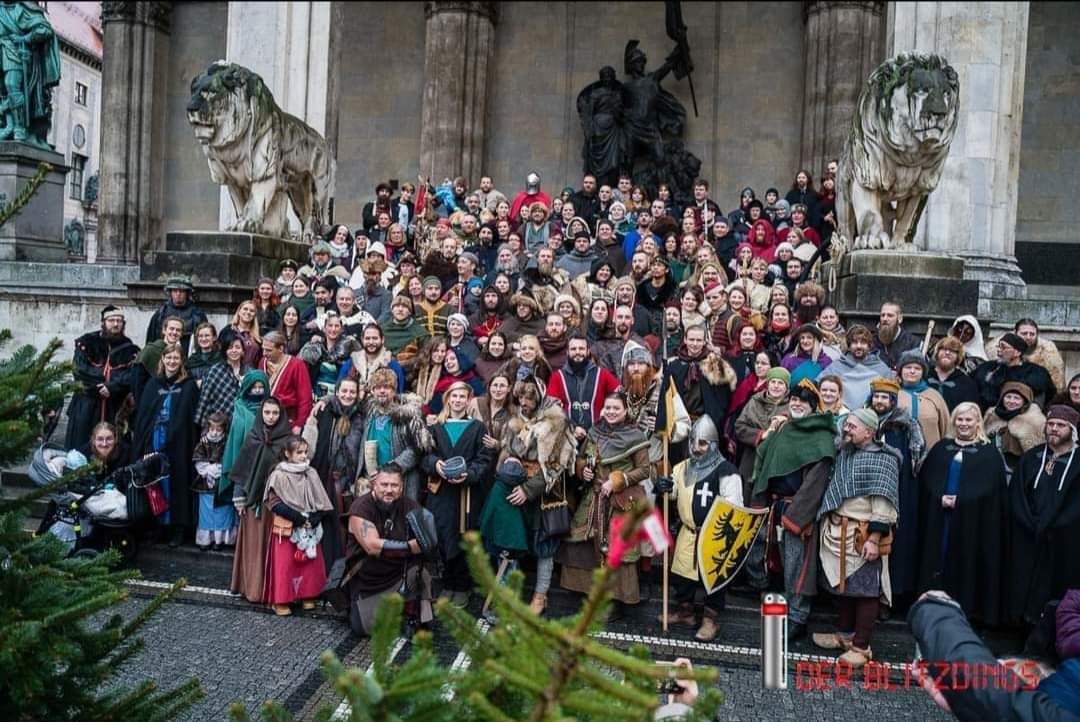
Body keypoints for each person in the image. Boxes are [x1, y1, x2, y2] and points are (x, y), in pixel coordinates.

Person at [748, 381, 837, 639]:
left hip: (798, 511)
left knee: (798, 567)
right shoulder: (785, 428)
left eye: (803, 401)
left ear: (813, 406)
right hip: (775, 506)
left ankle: (798, 617)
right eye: (794, 399)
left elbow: (815, 483)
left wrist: (798, 516)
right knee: (778, 564)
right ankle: (782, 611)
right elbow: (765, 459)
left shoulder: (821, 436)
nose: (796, 404)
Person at [812, 408, 899, 669]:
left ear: (870, 432)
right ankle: (844, 634)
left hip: (862, 533)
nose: (846, 429)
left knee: (866, 591)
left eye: (852, 426)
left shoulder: (884, 460)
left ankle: (861, 647)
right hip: (840, 530)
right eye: (846, 424)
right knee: (847, 586)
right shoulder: (846, 452)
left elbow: (884, 504)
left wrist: (874, 538)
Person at [916, 403, 1010, 626]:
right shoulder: (941, 448)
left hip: (972, 522)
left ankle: (964, 610)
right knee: (937, 556)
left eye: (969, 420)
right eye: (960, 419)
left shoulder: (989, 454)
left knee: (965, 559)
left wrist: (963, 500)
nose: (964, 424)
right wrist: (939, 496)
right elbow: (927, 480)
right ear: (953, 421)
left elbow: (991, 490)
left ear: (978, 422)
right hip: (939, 517)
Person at [490, 378, 577, 616]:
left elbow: (555, 464)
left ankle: (540, 596)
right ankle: (510, 594)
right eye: (521, 398)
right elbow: (507, 450)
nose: (524, 403)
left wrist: (528, 490)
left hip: (545, 491)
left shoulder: (555, 422)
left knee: (544, 545)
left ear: (539, 398)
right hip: (516, 486)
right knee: (514, 541)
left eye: (529, 398)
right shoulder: (515, 421)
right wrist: (507, 466)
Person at [560, 392, 650, 617]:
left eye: (616, 408)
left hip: (622, 500)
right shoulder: (594, 431)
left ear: (625, 411)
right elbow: (582, 459)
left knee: (616, 549)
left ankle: (614, 601)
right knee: (583, 543)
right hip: (594, 495)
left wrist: (617, 480)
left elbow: (645, 470)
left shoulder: (635, 435)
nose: (611, 412)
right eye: (608, 408)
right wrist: (584, 470)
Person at [660, 415, 744, 640]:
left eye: (703, 443)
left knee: (713, 581)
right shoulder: (681, 467)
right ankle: (685, 612)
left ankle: (710, 620)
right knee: (683, 576)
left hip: (714, 536)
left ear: (714, 445)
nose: (697, 448)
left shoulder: (727, 470)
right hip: (688, 531)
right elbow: (675, 493)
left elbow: (734, 506)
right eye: (694, 442)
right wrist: (666, 487)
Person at [420, 381, 494, 606]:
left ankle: (462, 586)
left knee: (464, 536)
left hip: (466, 493)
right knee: (443, 536)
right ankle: (448, 582)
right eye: (454, 396)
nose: (458, 400)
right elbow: (425, 455)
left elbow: (484, 459)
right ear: (447, 399)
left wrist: (469, 474)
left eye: (463, 396)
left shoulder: (478, 428)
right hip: (441, 493)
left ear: (468, 399)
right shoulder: (435, 427)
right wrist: (437, 466)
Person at [1007, 405, 1080, 624]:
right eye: (1051, 424)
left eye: (1061, 425)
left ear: (1072, 430)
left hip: (1063, 537)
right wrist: (1029, 521)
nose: (1054, 429)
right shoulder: (1032, 457)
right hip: (1028, 533)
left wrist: (1056, 524)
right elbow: (1017, 493)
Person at [345, 464, 433, 635]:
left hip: (400, 575)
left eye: (394, 485)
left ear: (402, 487)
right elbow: (372, 546)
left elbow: (428, 540)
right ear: (374, 484)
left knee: (421, 574)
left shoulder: (410, 506)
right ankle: (392, 610)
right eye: (384, 485)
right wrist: (410, 546)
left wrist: (424, 542)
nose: (389, 490)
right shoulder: (360, 508)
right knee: (363, 628)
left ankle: (418, 617)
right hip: (368, 582)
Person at [130, 342, 199, 547]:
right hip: (154, 441)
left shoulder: (188, 386)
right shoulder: (153, 384)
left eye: (176, 358)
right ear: (162, 360)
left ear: (181, 361)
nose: (172, 361)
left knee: (175, 483)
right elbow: (144, 416)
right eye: (168, 358)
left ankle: (176, 528)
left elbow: (190, 418)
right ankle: (156, 526)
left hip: (177, 445)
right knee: (155, 483)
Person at [869, 376, 925, 610]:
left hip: (898, 492)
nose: (880, 401)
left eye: (885, 397)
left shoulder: (904, 427)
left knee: (892, 548)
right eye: (877, 396)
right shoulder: (864, 421)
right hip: (867, 491)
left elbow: (912, 464)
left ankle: (888, 600)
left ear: (892, 401)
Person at [229, 397, 292, 604]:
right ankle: (252, 588)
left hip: (273, 504)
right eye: (267, 412)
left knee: (271, 547)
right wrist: (239, 498)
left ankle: (270, 590)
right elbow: (243, 468)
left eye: (275, 413)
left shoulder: (287, 441)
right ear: (261, 413)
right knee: (254, 546)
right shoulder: (253, 436)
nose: (271, 417)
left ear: (280, 414)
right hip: (253, 502)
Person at [263, 435, 333, 616]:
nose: (303, 456)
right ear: (287, 453)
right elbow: (274, 502)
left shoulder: (311, 473)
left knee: (310, 564)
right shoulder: (278, 475)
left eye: (305, 452)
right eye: (298, 452)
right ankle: (282, 600)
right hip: (288, 527)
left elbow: (322, 500)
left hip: (309, 527)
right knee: (285, 565)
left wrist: (315, 516)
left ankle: (308, 595)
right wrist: (298, 517)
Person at [303, 378, 365, 573]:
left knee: (341, 529)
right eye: (344, 391)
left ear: (358, 394)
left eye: (352, 392)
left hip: (347, 480)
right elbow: (309, 441)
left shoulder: (361, 416)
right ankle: (317, 573)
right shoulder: (323, 411)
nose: (347, 395)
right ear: (337, 392)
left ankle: (337, 573)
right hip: (322, 475)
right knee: (321, 524)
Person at [65, 305, 140, 450]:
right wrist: (99, 387)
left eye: (119, 321)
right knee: (81, 446)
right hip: (87, 404)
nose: (116, 324)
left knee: (113, 447)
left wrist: (112, 387)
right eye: (112, 320)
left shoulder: (130, 349)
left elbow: (131, 375)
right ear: (103, 322)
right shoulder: (86, 342)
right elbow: (79, 370)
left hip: (114, 406)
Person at [356, 368, 433, 501]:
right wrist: (325, 400)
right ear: (372, 391)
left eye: (387, 387)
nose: (382, 391)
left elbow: (416, 450)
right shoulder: (368, 412)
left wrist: (392, 468)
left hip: (400, 479)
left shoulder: (408, 415)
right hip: (373, 479)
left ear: (394, 390)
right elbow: (343, 401)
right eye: (378, 387)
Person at [546, 334, 621, 442]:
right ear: (567, 352)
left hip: (598, 436)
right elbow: (551, 409)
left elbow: (620, 395)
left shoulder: (602, 374)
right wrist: (571, 428)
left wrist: (607, 409)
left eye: (581, 349)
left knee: (593, 457)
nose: (577, 352)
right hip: (566, 436)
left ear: (588, 351)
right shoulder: (557, 377)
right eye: (573, 349)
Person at [662, 324, 737, 428]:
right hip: (679, 423)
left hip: (706, 424)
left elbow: (724, 397)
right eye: (691, 340)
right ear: (685, 340)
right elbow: (665, 397)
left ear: (704, 342)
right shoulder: (675, 366)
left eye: (699, 340)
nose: (695, 344)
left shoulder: (714, 364)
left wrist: (717, 419)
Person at [975, 332, 1057, 412]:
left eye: (1003, 347)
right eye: (998, 347)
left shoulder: (1036, 372)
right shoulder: (987, 367)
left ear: (1017, 352)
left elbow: (1049, 395)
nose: (999, 351)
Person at [818, 324, 893, 410]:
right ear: (849, 346)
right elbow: (819, 386)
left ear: (869, 346)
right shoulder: (837, 366)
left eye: (863, 343)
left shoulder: (881, 369)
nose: (859, 346)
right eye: (854, 342)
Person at [192, 412, 236, 550]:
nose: (215, 433)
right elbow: (198, 461)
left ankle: (220, 540)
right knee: (207, 513)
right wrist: (208, 469)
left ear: (224, 429)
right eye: (212, 429)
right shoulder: (203, 443)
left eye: (218, 429)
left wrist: (218, 469)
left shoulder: (228, 443)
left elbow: (229, 460)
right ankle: (206, 539)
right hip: (205, 484)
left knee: (222, 512)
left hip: (222, 484)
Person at [986, 319, 1067, 393]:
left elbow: (1057, 383)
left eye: (1032, 334)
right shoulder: (996, 346)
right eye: (1024, 333)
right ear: (1015, 332)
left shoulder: (1049, 350)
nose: (1028, 337)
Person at [984, 381, 1047, 474]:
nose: (1011, 401)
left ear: (1025, 400)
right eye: (1008, 397)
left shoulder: (1035, 419)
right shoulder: (992, 414)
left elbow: (1038, 452)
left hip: (1019, 470)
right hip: (992, 467)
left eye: (1017, 398)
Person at [259, 331, 313, 435]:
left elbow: (305, 398)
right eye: (263, 349)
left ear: (280, 349)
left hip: (287, 420)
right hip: (266, 418)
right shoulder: (262, 362)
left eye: (268, 350)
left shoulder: (297, 365)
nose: (264, 353)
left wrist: (299, 424)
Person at [299, 312, 362, 399]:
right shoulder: (315, 347)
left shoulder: (349, 346)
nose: (333, 329)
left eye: (336, 326)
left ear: (341, 329)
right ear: (324, 328)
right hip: (316, 393)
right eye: (330, 325)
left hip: (341, 395)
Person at [896, 349, 950, 450]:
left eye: (917, 368)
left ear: (923, 372)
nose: (912, 371)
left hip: (930, 455)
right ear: (901, 370)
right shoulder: (893, 394)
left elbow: (946, 429)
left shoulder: (934, 396)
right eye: (908, 367)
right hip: (899, 454)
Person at [144, 276, 208, 355]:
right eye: (175, 291)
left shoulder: (198, 315)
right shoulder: (160, 314)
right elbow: (151, 340)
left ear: (187, 293)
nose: (178, 294)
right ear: (170, 293)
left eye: (181, 291)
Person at [341, 323, 405, 393]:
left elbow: (399, 395)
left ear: (382, 339)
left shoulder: (393, 366)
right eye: (367, 338)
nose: (371, 342)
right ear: (362, 340)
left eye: (375, 338)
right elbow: (340, 389)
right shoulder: (351, 363)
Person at [927, 335, 981, 411]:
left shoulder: (967, 384)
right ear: (937, 352)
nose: (947, 353)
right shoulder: (924, 376)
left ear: (958, 356)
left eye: (952, 350)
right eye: (944, 349)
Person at [872, 301, 920, 369]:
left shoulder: (913, 343)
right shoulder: (872, 341)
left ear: (899, 319)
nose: (885, 319)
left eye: (890, 315)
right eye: (883, 315)